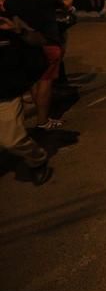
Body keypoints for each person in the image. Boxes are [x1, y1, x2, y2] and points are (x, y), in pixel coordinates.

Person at [4, 0, 79, 130]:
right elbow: (65, 5)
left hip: (24, 42)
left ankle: (40, 117)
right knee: (45, 82)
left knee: (33, 79)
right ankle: (43, 121)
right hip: (47, 42)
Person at [0, 15, 52, 185]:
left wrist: (19, 31)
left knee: (12, 140)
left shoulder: (7, 21)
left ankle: (37, 160)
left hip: (4, 92)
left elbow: (40, 40)